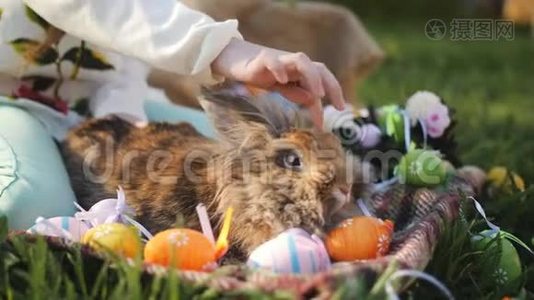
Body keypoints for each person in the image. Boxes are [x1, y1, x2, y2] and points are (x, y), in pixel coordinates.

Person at [0, 0, 345, 229]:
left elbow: (124, 56)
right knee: (26, 207)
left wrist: (120, 115)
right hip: (13, 104)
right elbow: (101, 8)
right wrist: (226, 49)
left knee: (224, 159)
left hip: (96, 106)